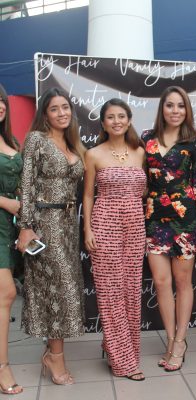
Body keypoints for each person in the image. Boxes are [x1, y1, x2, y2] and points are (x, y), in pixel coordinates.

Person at [16, 87, 86, 385]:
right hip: (44, 224)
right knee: (62, 289)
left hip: (69, 226)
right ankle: (55, 358)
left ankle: (52, 352)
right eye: (55, 108)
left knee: (59, 288)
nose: (62, 113)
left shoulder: (72, 143)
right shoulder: (37, 139)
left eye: (65, 107)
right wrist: (26, 226)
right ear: (45, 114)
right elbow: (26, 183)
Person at [143, 86, 196, 372]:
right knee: (161, 282)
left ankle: (181, 341)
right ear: (162, 108)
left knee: (183, 282)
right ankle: (170, 339)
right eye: (170, 105)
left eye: (180, 105)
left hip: (186, 221)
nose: (175, 110)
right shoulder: (146, 138)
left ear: (187, 110)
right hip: (154, 219)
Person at [83, 98, 146, 381]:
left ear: (129, 120)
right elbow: (88, 195)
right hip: (105, 224)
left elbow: (144, 192)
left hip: (135, 227)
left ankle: (117, 348)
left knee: (131, 290)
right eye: (111, 117)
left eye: (121, 116)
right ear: (103, 123)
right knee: (110, 291)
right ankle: (123, 362)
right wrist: (88, 230)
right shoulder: (93, 154)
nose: (116, 121)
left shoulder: (140, 152)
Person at [0, 84, 23, 395]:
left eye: (1, 101)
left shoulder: (12, 141)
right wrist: (7, 202)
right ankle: (2, 367)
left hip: (10, 228)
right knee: (6, 293)